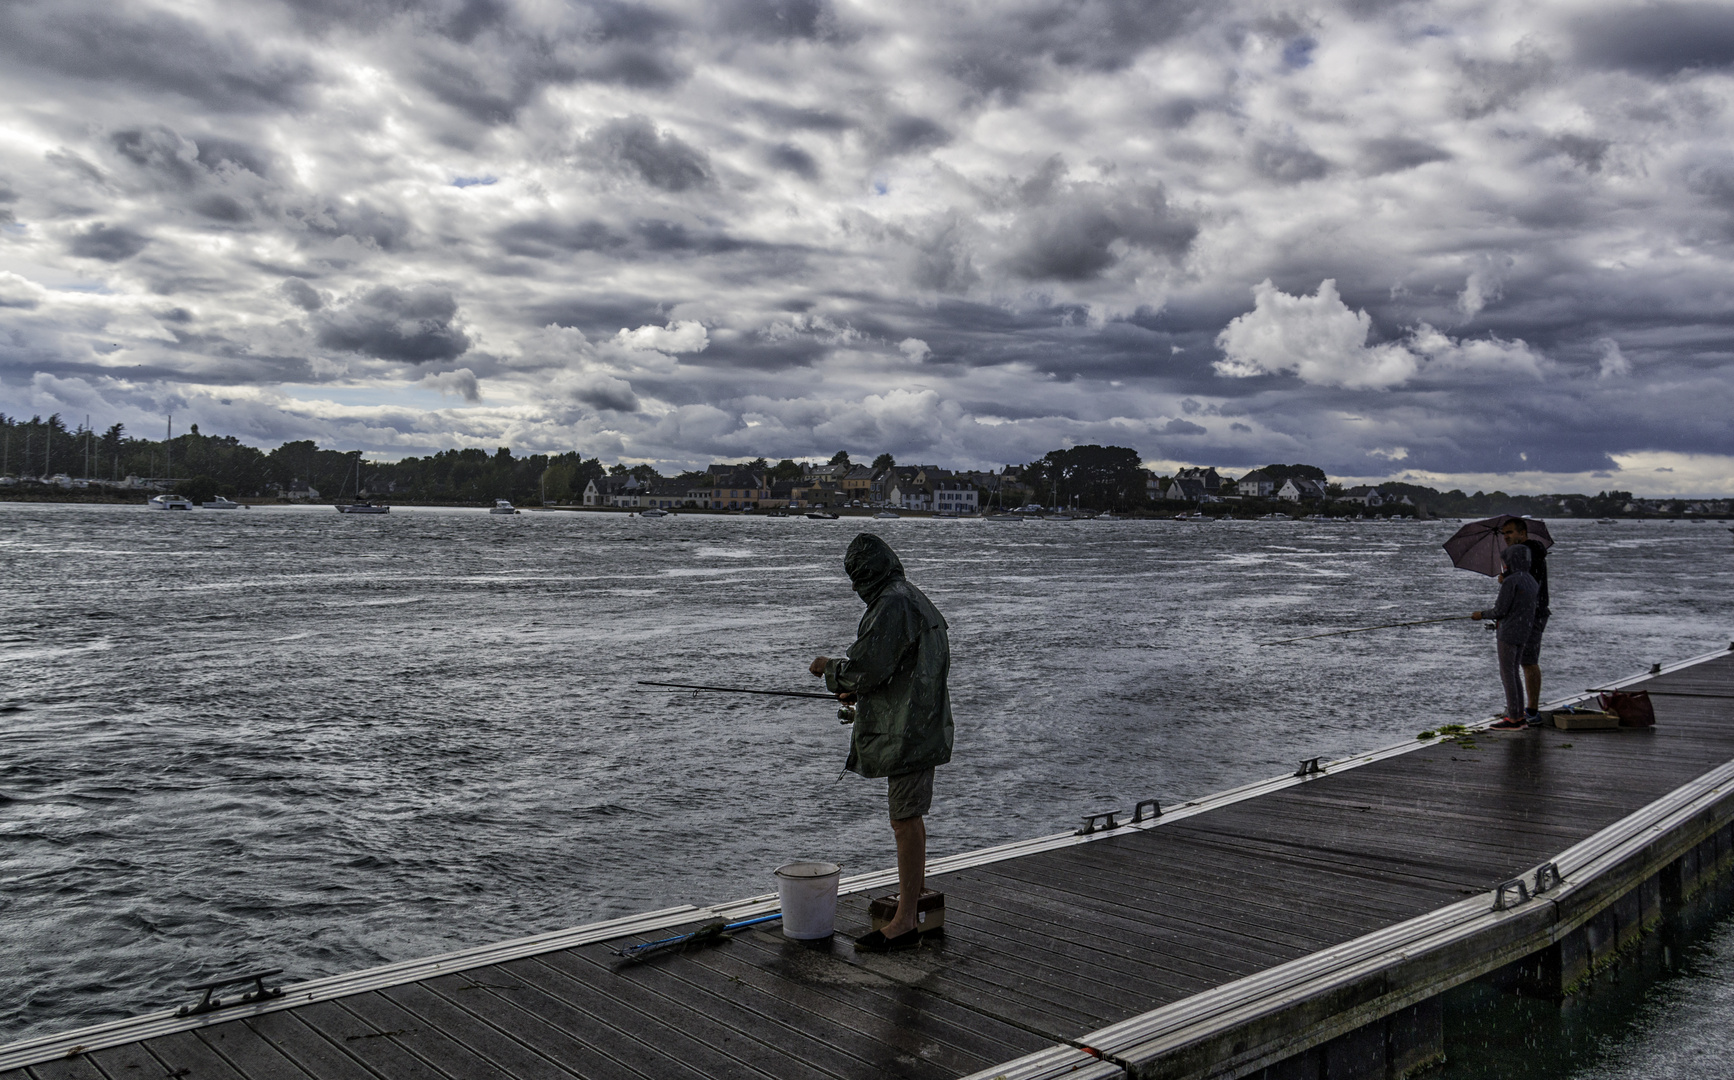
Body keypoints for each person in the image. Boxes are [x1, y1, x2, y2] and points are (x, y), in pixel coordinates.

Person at [808, 533, 953, 952]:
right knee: (909, 816)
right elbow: (901, 665)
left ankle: (906, 920)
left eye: (855, 577)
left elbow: (866, 666)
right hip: (923, 720)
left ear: (864, 573)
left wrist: (830, 669)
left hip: (909, 728)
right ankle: (915, 900)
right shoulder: (913, 596)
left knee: (905, 820)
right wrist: (865, 688)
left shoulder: (891, 603)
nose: (856, 587)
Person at [1473, 543, 1539, 731]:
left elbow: (1500, 610)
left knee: (1507, 674)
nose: (1504, 565)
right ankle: (1519, 716)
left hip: (1508, 633)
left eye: (1505, 561)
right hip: (1523, 632)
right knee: (1514, 673)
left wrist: (1481, 615)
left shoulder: (1511, 582)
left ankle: (1513, 718)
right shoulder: (1531, 580)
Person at [1499, 518, 1550, 721]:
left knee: (1528, 661)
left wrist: (1508, 576)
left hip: (1534, 613)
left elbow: (1527, 582)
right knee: (1518, 663)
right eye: (1504, 534)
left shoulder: (1530, 553)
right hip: (1521, 614)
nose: (1506, 537)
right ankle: (1519, 708)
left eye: (1510, 532)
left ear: (1523, 533)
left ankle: (1531, 711)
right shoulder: (1521, 556)